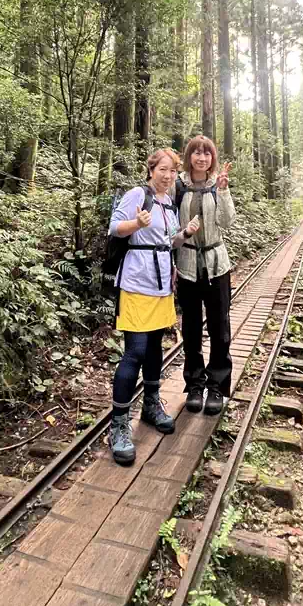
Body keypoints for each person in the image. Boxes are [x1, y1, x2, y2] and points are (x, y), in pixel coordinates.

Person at [107, 148, 200, 466]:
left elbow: (169, 240)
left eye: (173, 171)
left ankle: (150, 405)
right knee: (134, 351)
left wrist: (184, 233)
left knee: (155, 349)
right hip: (135, 284)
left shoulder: (168, 204)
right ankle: (119, 426)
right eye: (163, 169)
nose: (168, 175)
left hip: (162, 287)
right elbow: (114, 228)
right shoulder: (138, 194)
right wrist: (135, 222)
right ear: (152, 170)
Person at [174, 135, 236, 416]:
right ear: (189, 157)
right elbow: (169, 226)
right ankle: (195, 383)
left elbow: (227, 222)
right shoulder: (178, 186)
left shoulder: (216, 186)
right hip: (187, 264)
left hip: (216, 264)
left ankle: (217, 385)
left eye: (207, 153)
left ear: (212, 158)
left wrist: (223, 192)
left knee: (220, 327)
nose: (202, 158)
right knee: (191, 328)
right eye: (196, 153)